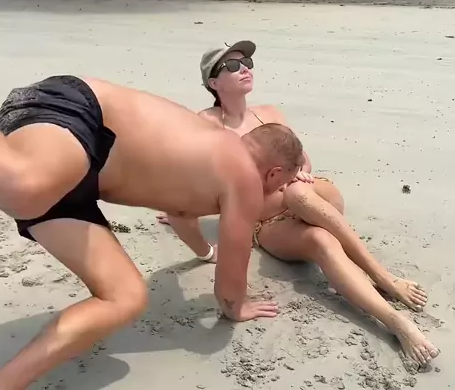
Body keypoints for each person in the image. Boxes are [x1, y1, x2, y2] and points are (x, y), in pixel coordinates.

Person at [0, 75, 303, 390]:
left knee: (125, 296)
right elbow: (232, 281)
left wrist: (204, 252)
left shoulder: (207, 164)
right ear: (273, 173)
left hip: (75, 181)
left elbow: (182, 217)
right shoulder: (244, 174)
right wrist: (237, 307)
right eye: (280, 187)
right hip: (76, 116)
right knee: (24, 187)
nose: (273, 195)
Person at [160, 41, 439, 369]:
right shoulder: (205, 125)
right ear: (213, 83)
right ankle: (396, 323)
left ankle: (383, 277)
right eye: (232, 66)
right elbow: (200, 186)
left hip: (309, 194)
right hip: (269, 223)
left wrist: (300, 174)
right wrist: (204, 247)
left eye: (246, 61)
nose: (244, 68)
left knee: (296, 193)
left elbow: (302, 159)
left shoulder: (269, 113)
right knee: (321, 241)